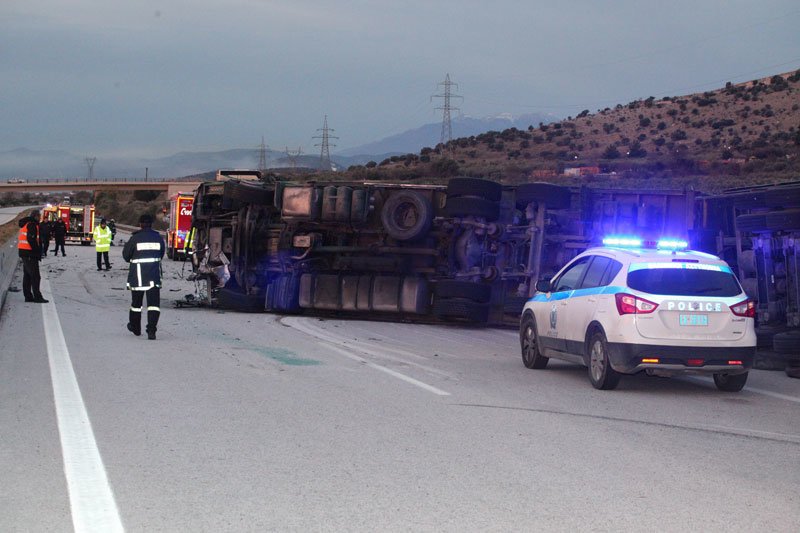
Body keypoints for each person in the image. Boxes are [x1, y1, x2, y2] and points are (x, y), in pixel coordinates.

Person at [123, 213, 165, 340]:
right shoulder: (158, 238)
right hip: (154, 276)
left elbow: (126, 256)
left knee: (136, 305)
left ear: (140, 224)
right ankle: (151, 331)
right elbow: (161, 254)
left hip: (138, 277)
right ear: (151, 224)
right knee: (153, 305)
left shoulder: (135, 238)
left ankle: (135, 327)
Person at [17, 210, 48, 303]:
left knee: (27, 275)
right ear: (35, 216)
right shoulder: (32, 225)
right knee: (35, 276)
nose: (40, 218)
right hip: (29, 253)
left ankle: (28, 296)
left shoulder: (26, 224)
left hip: (24, 253)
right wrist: (37, 252)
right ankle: (37, 297)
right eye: (39, 216)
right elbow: (31, 239)